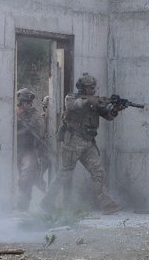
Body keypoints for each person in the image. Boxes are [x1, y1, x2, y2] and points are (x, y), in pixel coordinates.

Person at [43, 73, 123, 214]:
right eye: (90, 88)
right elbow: (76, 105)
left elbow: (107, 115)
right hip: (73, 141)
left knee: (98, 172)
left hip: (88, 142)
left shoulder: (94, 101)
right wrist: (92, 101)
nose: (93, 90)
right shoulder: (71, 98)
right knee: (64, 174)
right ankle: (47, 202)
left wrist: (115, 109)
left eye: (94, 87)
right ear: (82, 88)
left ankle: (107, 204)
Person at [14, 87, 48, 211]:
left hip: (28, 150)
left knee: (27, 176)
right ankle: (22, 205)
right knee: (30, 178)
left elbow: (41, 130)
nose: (30, 104)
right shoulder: (14, 113)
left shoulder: (34, 114)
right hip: (15, 150)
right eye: (27, 102)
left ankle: (24, 205)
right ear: (21, 101)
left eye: (30, 102)